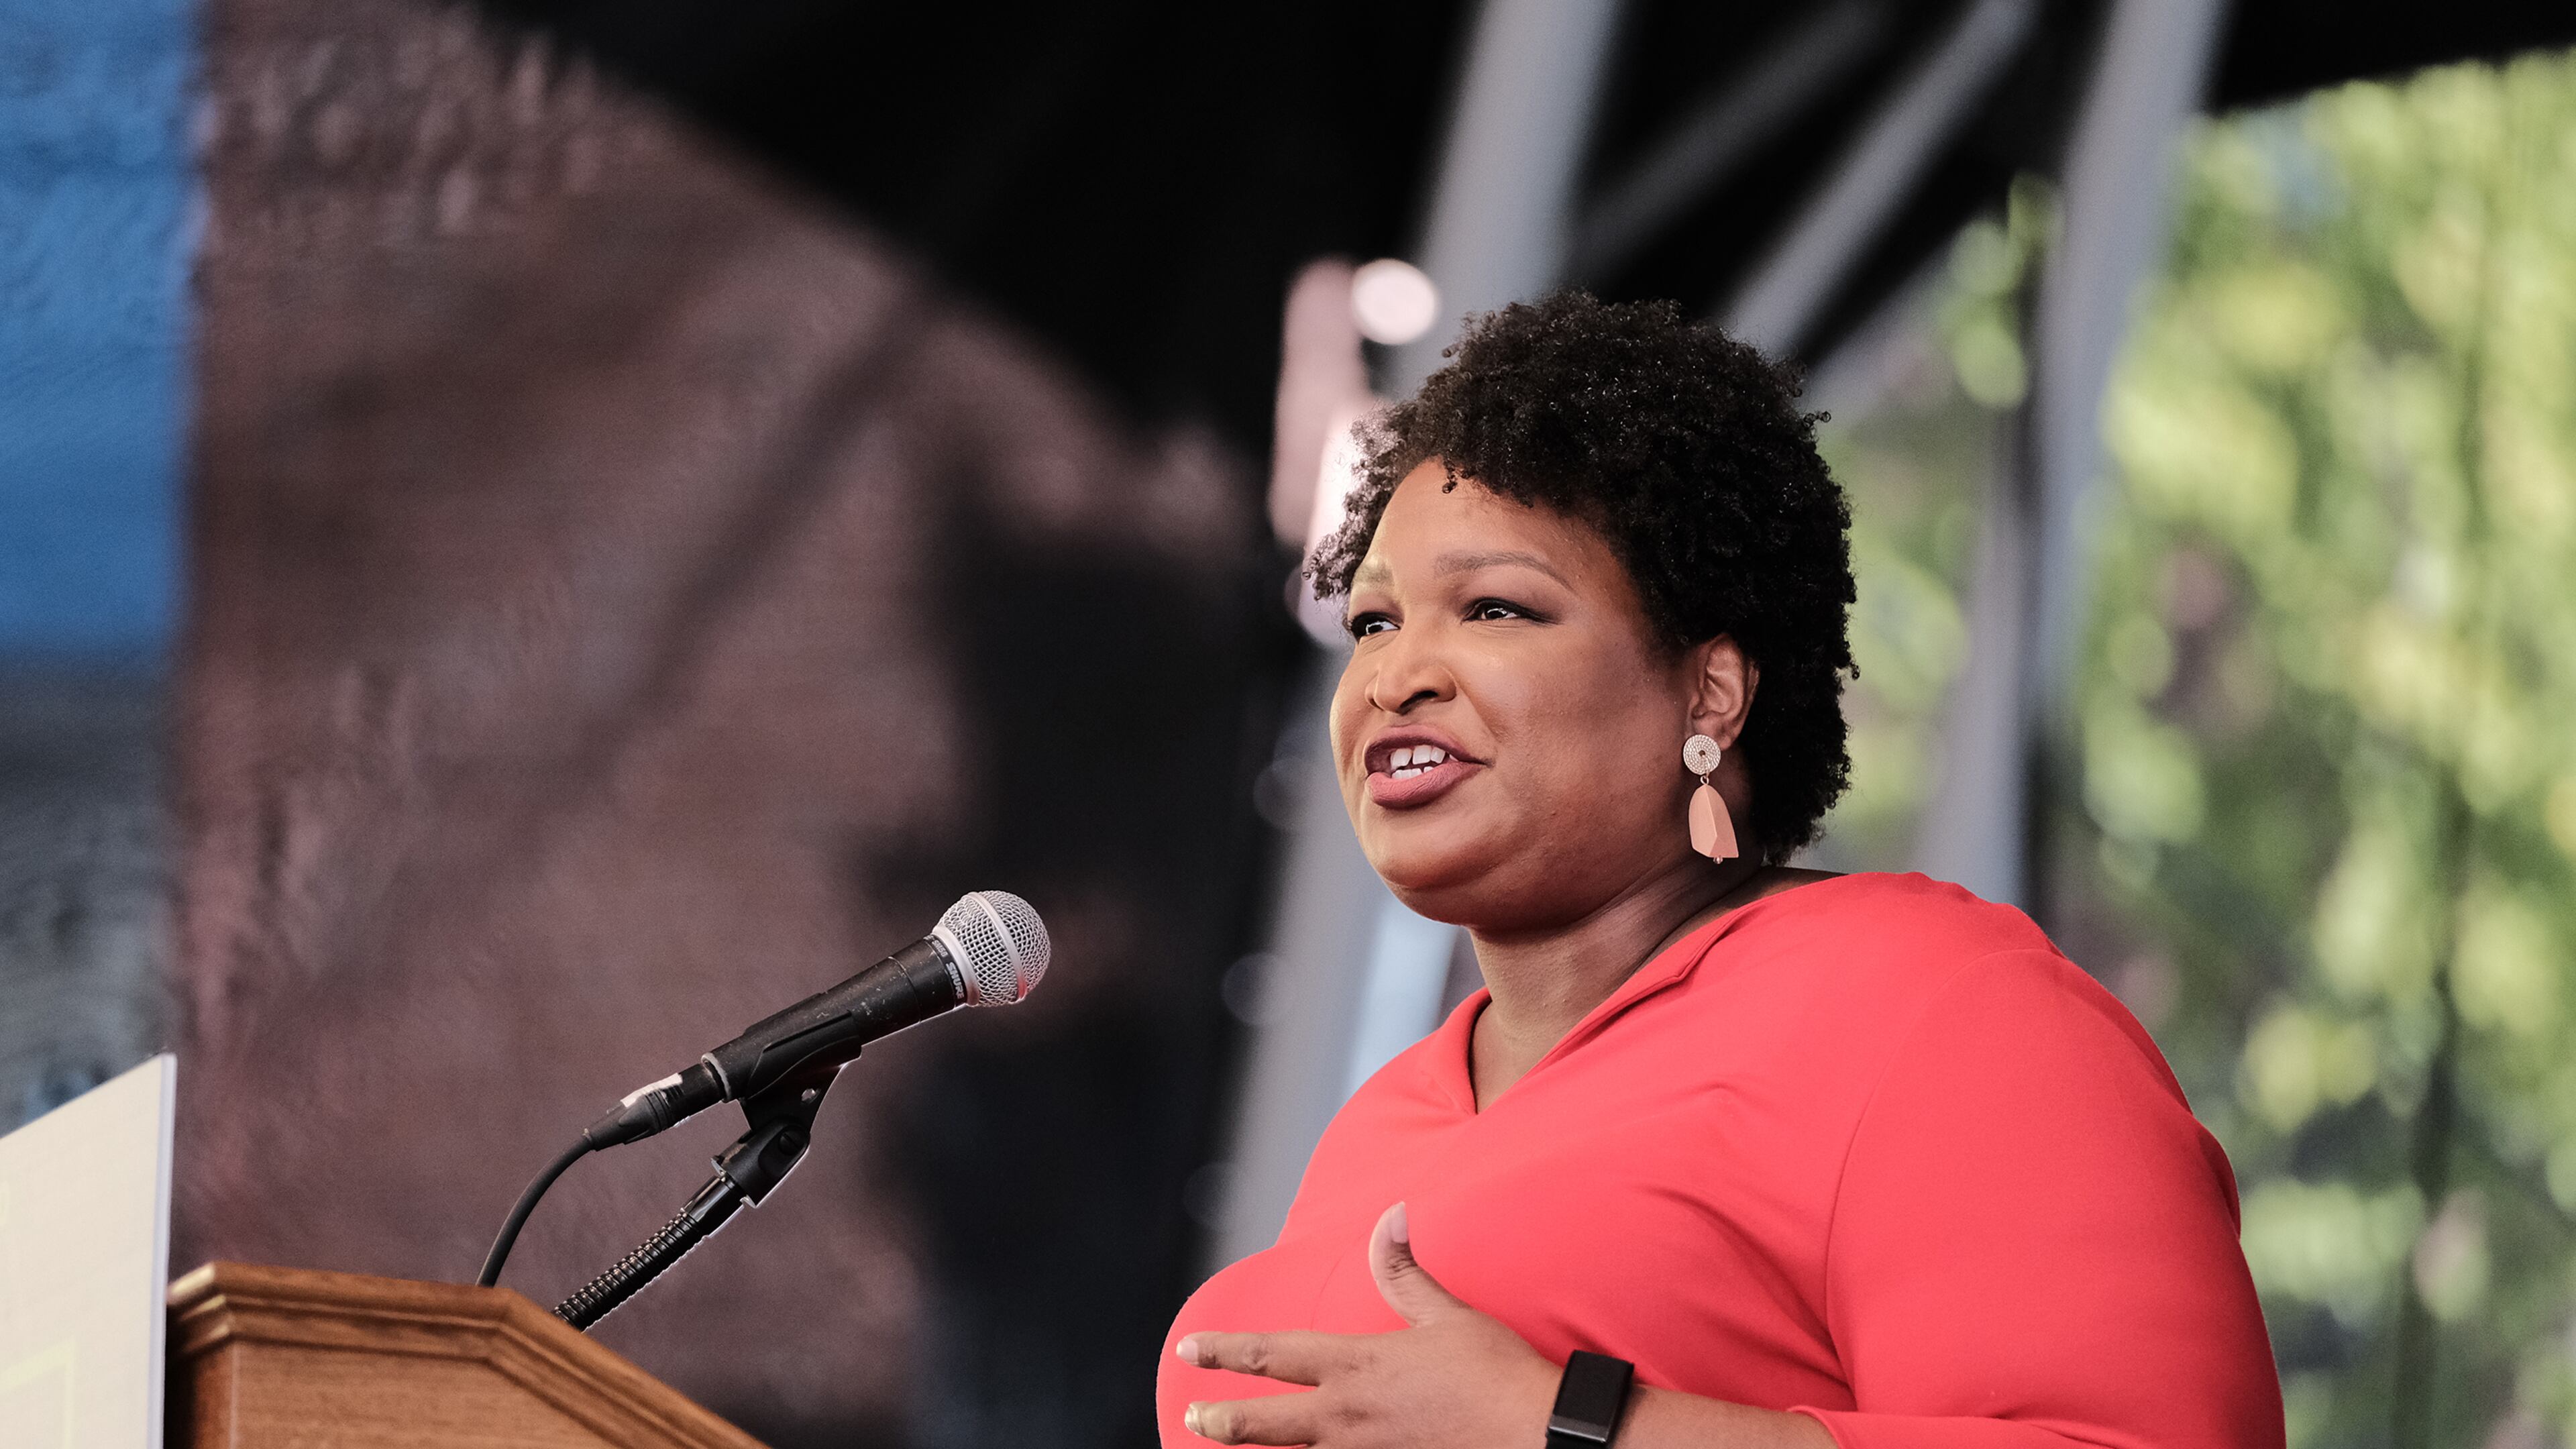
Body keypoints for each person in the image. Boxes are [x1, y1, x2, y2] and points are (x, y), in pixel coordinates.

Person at [1157, 294, 2282, 1449]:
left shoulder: (1933, 1006)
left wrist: (1560, 1426)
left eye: (1495, 608)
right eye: (1376, 622)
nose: (1397, 677)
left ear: (1710, 695)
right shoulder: (1380, 1127)